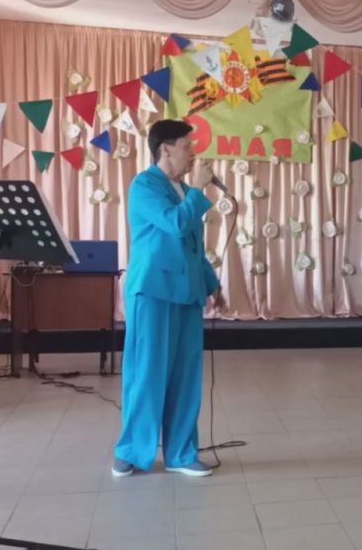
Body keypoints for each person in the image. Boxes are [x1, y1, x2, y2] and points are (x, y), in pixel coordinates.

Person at [112, 119, 224, 478]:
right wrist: (199, 190)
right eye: (187, 146)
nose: (193, 154)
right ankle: (132, 451)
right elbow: (175, 224)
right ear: (166, 149)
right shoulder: (145, 185)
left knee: (185, 376)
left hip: (186, 292)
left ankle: (181, 453)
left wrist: (211, 284)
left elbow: (192, 245)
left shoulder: (184, 190)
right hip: (153, 291)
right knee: (147, 371)